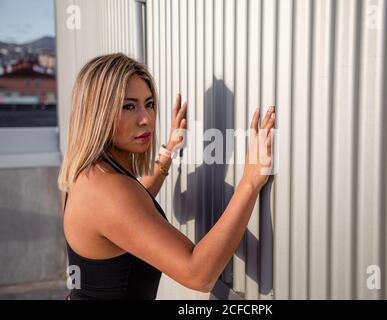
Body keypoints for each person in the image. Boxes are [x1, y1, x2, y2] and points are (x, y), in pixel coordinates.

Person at [58, 53, 276, 300]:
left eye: (149, 104)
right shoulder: (107, 189)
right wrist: (249, 182)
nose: (146, 119)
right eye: (128, 106)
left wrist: (168, 150)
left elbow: (129, 212)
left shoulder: (82, 175)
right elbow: (198, 275)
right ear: (96, 113)